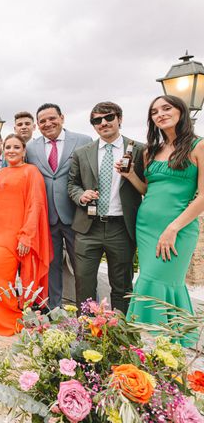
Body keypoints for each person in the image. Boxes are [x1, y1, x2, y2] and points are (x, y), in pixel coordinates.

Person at [124, 96, 204, 343]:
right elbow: (149, 190)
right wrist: (130, 176)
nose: (160, 114)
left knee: (158, 281)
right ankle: (159, 344)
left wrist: (173, 228)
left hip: (178, 229)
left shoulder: (198, 146)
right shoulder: (151, 151)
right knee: (150, 279)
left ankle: (164, 342)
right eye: (155, 111)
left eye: (166, 108)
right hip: (146, 227)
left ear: (180, 111)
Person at [68, 102, 144, 313]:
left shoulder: (139, 150)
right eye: (97, 120)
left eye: (108, 117)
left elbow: (148, 186)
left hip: (121, 227)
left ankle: (119, 337)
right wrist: (81, 195)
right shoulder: (82, 153)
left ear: (119, 118)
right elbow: (72, 184)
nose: (103, 123)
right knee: (84, 285)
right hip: (87, 228)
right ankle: (86, 335)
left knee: (121, 286)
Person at [0, 134, 51, 335]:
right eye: (8, 146)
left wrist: (27, 235)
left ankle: (8, 318)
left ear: (24, 151)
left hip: (15, 234)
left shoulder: (31, 172)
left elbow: (36, 205)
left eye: (16, 147)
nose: (11, 150)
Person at [26, 103, 92, 308]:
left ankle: (89, 312)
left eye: (52, 118)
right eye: (42, 121)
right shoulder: (31, 148)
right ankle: (54, 310)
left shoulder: (83, 141)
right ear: (37, 125)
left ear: (62, 118)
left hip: (76, 216)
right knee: (51, 266)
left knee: (83, 267)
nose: (48, 123)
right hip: (46, 218)